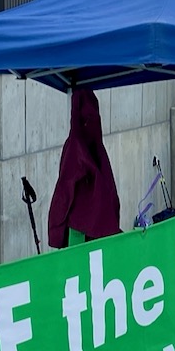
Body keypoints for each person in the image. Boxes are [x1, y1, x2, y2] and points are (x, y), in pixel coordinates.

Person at [47, 88, 121, 248]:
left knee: (77, 268)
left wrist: (55, 229)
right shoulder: (97, 146)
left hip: (79, 228)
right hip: (103, 226)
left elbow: (65, 189)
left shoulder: (75, 144)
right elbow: (111, 191)